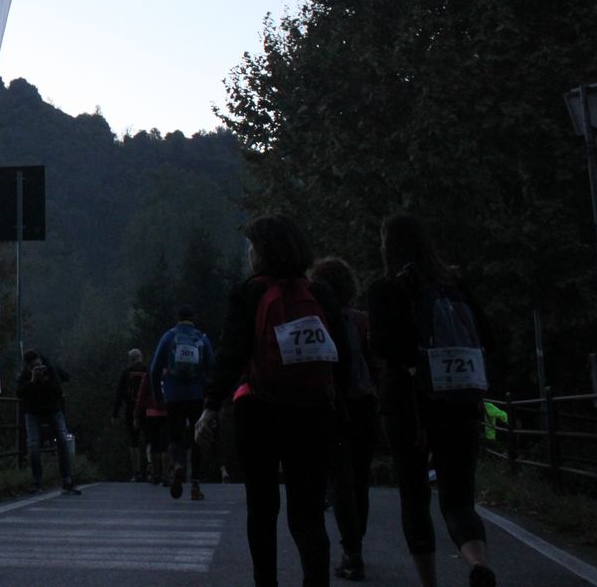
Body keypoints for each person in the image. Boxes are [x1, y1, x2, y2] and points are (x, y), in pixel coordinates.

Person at [196, 213, 350, 587]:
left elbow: (230, 354)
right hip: (314, 413)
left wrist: (211, 407)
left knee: (262, 509)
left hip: (259, 410)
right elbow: (341, 356)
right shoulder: (321, 294)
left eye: (251, 246)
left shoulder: (248, 293)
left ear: (262, 252)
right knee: (308, 514)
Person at [367, 212, 498, 587]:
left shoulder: (385, 289)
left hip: (408, 402)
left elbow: (384, 345)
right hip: (460, 398)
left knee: (414, 494)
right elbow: (488, 338)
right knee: (459, 497)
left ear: (387, 246)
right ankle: (477, 562)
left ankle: (429, 582)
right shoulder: (455, 285)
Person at [311, 256, 381, 582]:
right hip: (365, 403)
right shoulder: (363, 321)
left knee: (340, 478)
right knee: (360, 477)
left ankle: (352, 550)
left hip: (334, 405)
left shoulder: (319, 320)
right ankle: (357, 543)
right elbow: (376, 364)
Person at [150, 305, 214, 500]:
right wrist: (211, 397)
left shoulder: (168, 337)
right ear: (193, 318)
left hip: (173, 396)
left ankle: (178, 465)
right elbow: (212, 369)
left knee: (175, 436)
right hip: (196, 396)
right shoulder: (202, 338)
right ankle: (195, 485)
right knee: (197, 439)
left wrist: (158, 396)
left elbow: (154, 370)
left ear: (177, 318)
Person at [17, 349, 81, 495]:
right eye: (33, 367)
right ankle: (37, 482)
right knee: (33, 445)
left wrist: (44, 381)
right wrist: (32, 381)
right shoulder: (25, 375)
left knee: (63, 441)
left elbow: (58, 390)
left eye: (38, 365)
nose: (37, 368)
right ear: (27, 367)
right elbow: (19, 393)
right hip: (32, 411)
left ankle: (67, 480)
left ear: (41, 361)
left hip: (53, 409)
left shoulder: (50, 369)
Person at [110, 348, 149, 481]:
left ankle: (136, 472)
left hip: (131, 409)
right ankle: (152, 469)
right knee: (150, 439)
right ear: (140, 356)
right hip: (147, 409)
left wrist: (114, 414)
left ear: (130, 359)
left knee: (133, 440)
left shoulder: (126, 372)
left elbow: (119, 394)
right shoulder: (147, 370)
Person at [133, 355, 171, 486]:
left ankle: (156, 474)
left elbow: (141, 396)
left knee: (154, 444)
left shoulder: (148, 375)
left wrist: (136, 415)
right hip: (166, 412)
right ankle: (166, 474)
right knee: (165, 444)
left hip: (150, 413)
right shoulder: (169, 374)